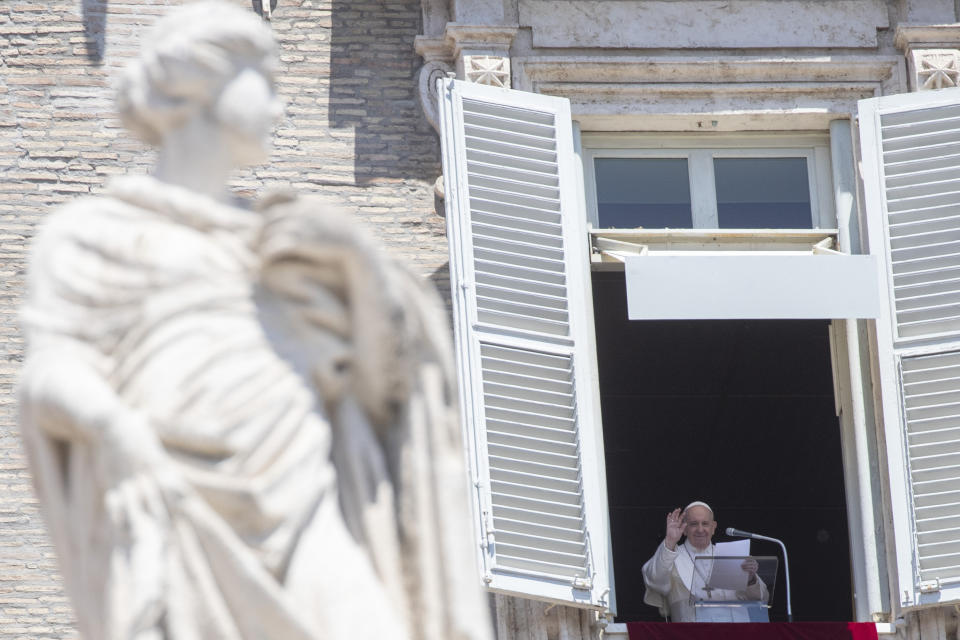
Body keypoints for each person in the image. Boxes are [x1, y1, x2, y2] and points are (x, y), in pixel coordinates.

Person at [18, 3, 491, 639]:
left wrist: (362, 273)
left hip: (308, 503)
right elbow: (52, 368)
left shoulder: (291, 247)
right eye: (264, 81)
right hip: (179, 504)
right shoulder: (90, 237)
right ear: (200, 86)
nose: (280, 107)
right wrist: (114, 430)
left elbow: (387, 401)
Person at [642, 501, 768, 622]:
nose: (700, 529)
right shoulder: (671, 556)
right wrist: (670, 541)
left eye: (705, 523)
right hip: (692, 633)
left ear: (713, 527)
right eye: (693, 524)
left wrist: (751, 579)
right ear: (684, 529)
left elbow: (762, 599)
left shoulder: (732, 554)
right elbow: (655, 580)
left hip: (736, 632)